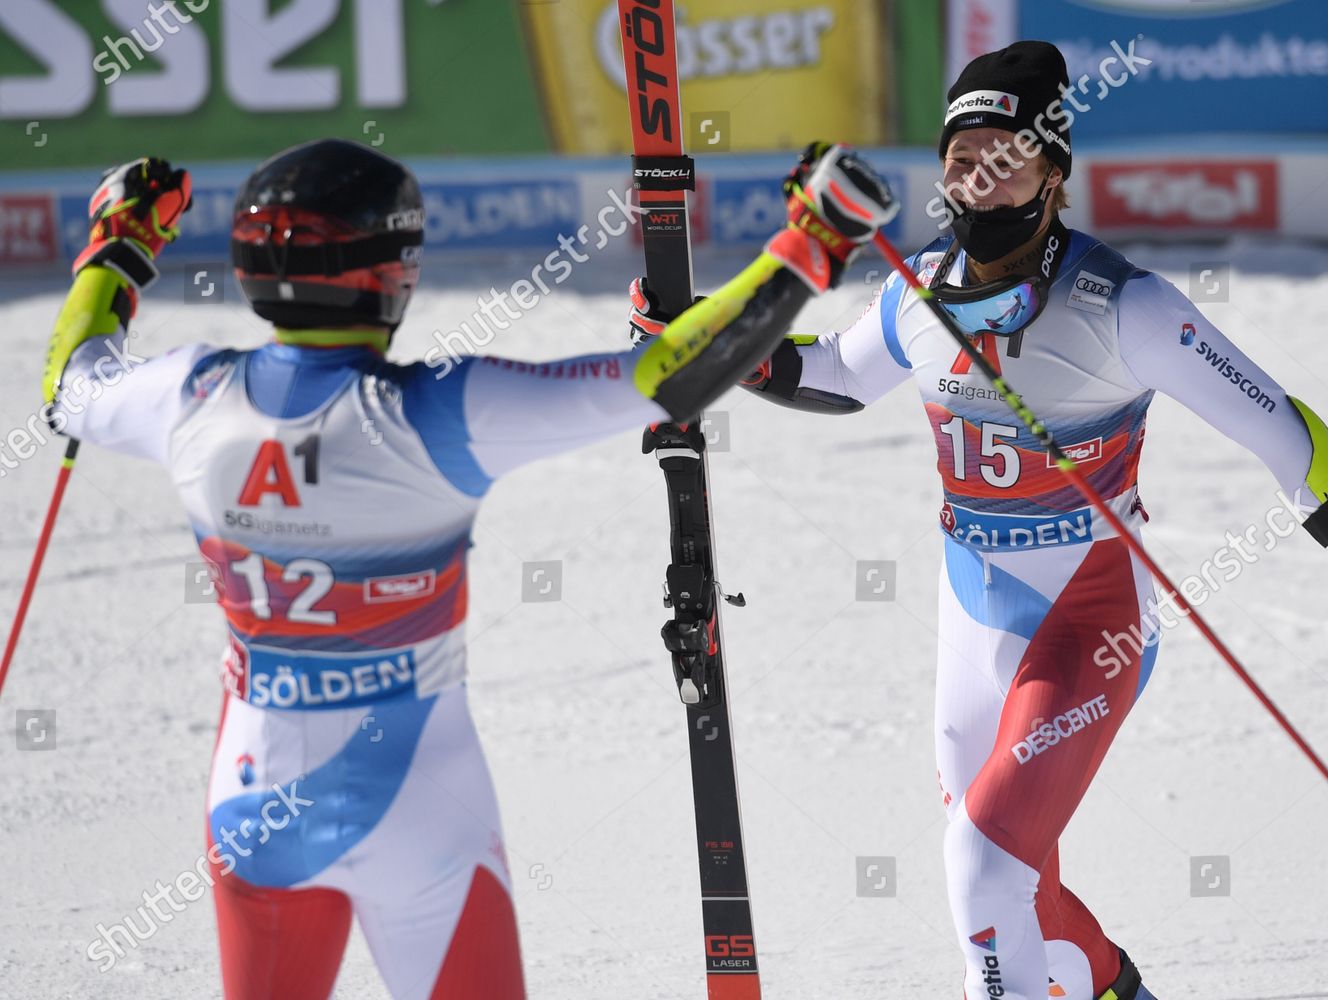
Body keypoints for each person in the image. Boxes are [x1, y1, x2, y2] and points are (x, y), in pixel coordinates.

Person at [629, 44, 1328, 1000]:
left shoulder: (1127, 307)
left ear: (1053, 174)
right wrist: (709, 337)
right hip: (970, 618)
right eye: (961, 153)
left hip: (1092, 621)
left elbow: (1286, 434)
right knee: (1011, 879)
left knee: (982, 870)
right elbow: (837, 376)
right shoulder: (919, 287)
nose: (978, 176)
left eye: (1006, 153)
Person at [40, 139, 898, 1000]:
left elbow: (70, 381)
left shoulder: (188, 396)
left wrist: (119, 244)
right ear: (393, 274)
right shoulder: (432, 413)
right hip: (419, 812)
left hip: (254, 801)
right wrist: (811, 242)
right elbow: (666, 379)